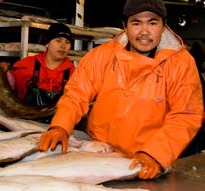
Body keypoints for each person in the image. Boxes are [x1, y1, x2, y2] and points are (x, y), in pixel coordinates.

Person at [38, 0, 204, 180]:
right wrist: (60, 125)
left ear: (164, 25)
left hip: (148, 162)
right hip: (97, 155)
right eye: (136, 23)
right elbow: (77, 93)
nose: (145, 32)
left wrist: (156, 154)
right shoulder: (101, 55)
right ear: (124, 26)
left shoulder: (181, 63)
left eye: (153, 22)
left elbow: (186, 114)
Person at [6, 23, 75, 112]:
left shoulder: (74, 74)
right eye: (58, 40)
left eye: (67, 42)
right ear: (47, 44)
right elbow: (4, 88)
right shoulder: (26, 65)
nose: (63, 46)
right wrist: (3, 71)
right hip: (26, 121)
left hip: (57, 124)